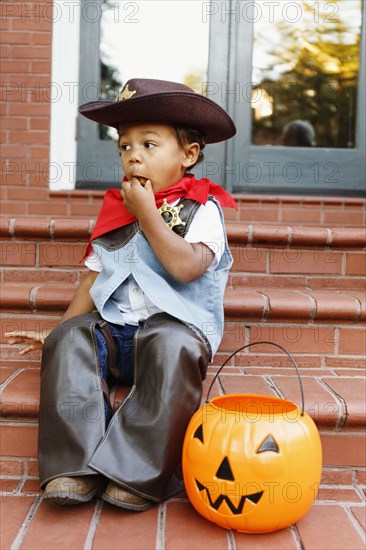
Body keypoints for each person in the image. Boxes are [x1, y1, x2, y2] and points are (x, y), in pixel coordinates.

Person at [5, 78, 237, 511]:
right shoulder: (115, 209)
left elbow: (187, 268)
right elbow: (94, 280)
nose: (134, 155)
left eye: (149, 144)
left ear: (188, 155)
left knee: (170, 340)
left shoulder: (203, 209)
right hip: (117, 335)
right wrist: (59, 331)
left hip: (174, 341)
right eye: (125, 147)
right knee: (73, 336)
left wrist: (148, 214)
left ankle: (137, 472)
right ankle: (73, 467)